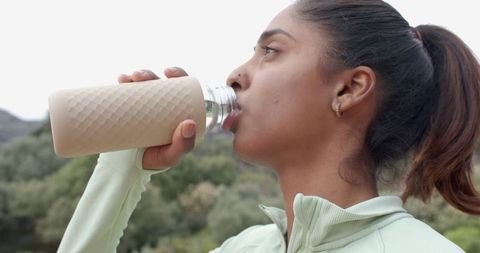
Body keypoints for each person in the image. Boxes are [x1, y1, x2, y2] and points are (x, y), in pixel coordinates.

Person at [57, 0, 480, 252]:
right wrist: (125, 164)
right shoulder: (245, 247)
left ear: (349, 89)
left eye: (270, 51)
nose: (235, 76)